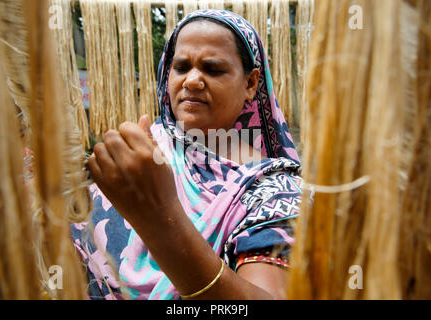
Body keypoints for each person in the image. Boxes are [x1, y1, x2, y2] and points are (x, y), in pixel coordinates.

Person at [71, 9, 302, 300]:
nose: (192, 80)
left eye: (213, 69)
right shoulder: (141, 151)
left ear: (250, 84)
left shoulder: (273, 191)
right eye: (181, 67)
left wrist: (159, 217)